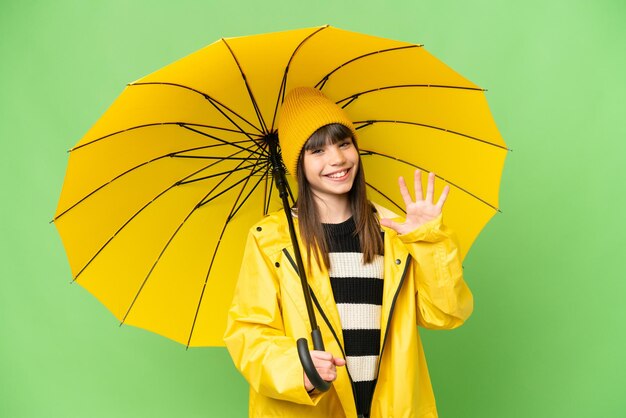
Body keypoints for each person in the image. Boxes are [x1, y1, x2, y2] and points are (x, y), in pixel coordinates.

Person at [224, 87, 473, 418]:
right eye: (317, 151)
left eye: (343, 144)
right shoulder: (271, 240)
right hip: (313, 407)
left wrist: (428, 239)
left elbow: (445, 314)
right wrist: (297, 369)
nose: (337, 159)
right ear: (297, 163)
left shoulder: (393, 230)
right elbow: (248, 331)